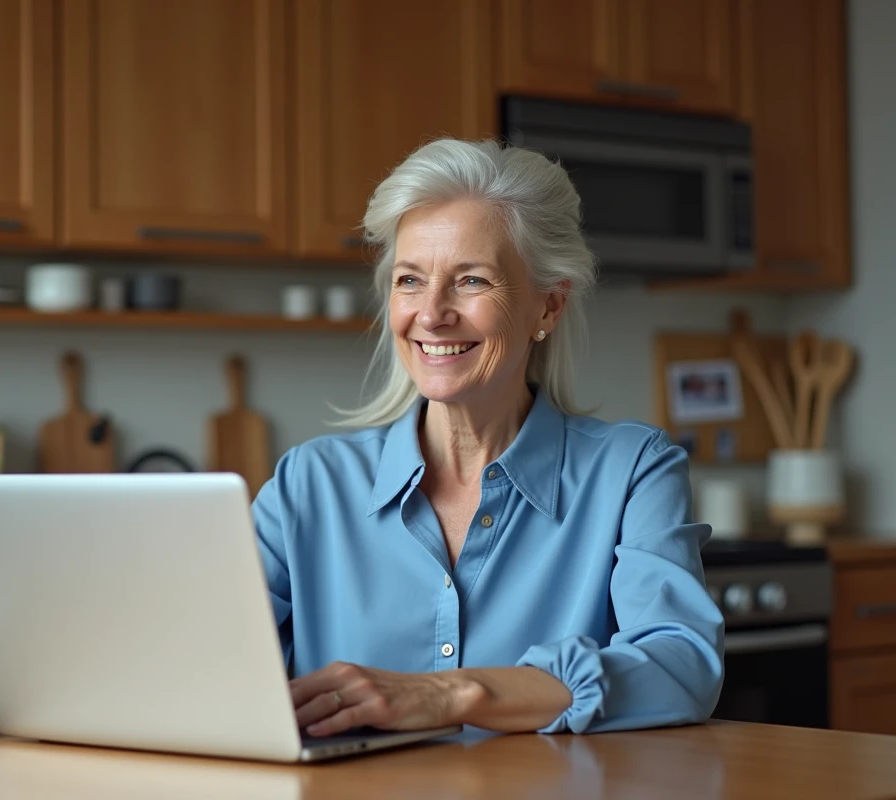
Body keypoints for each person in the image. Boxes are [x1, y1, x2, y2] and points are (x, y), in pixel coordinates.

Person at [251, 138, 724, 737]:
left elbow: (681, 666)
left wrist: (455, 694)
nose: (431, 314)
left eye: (471, 280)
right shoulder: (307, 484)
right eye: (409, 280)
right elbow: (205, 662)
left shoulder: (632, 472)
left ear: (548, 307)